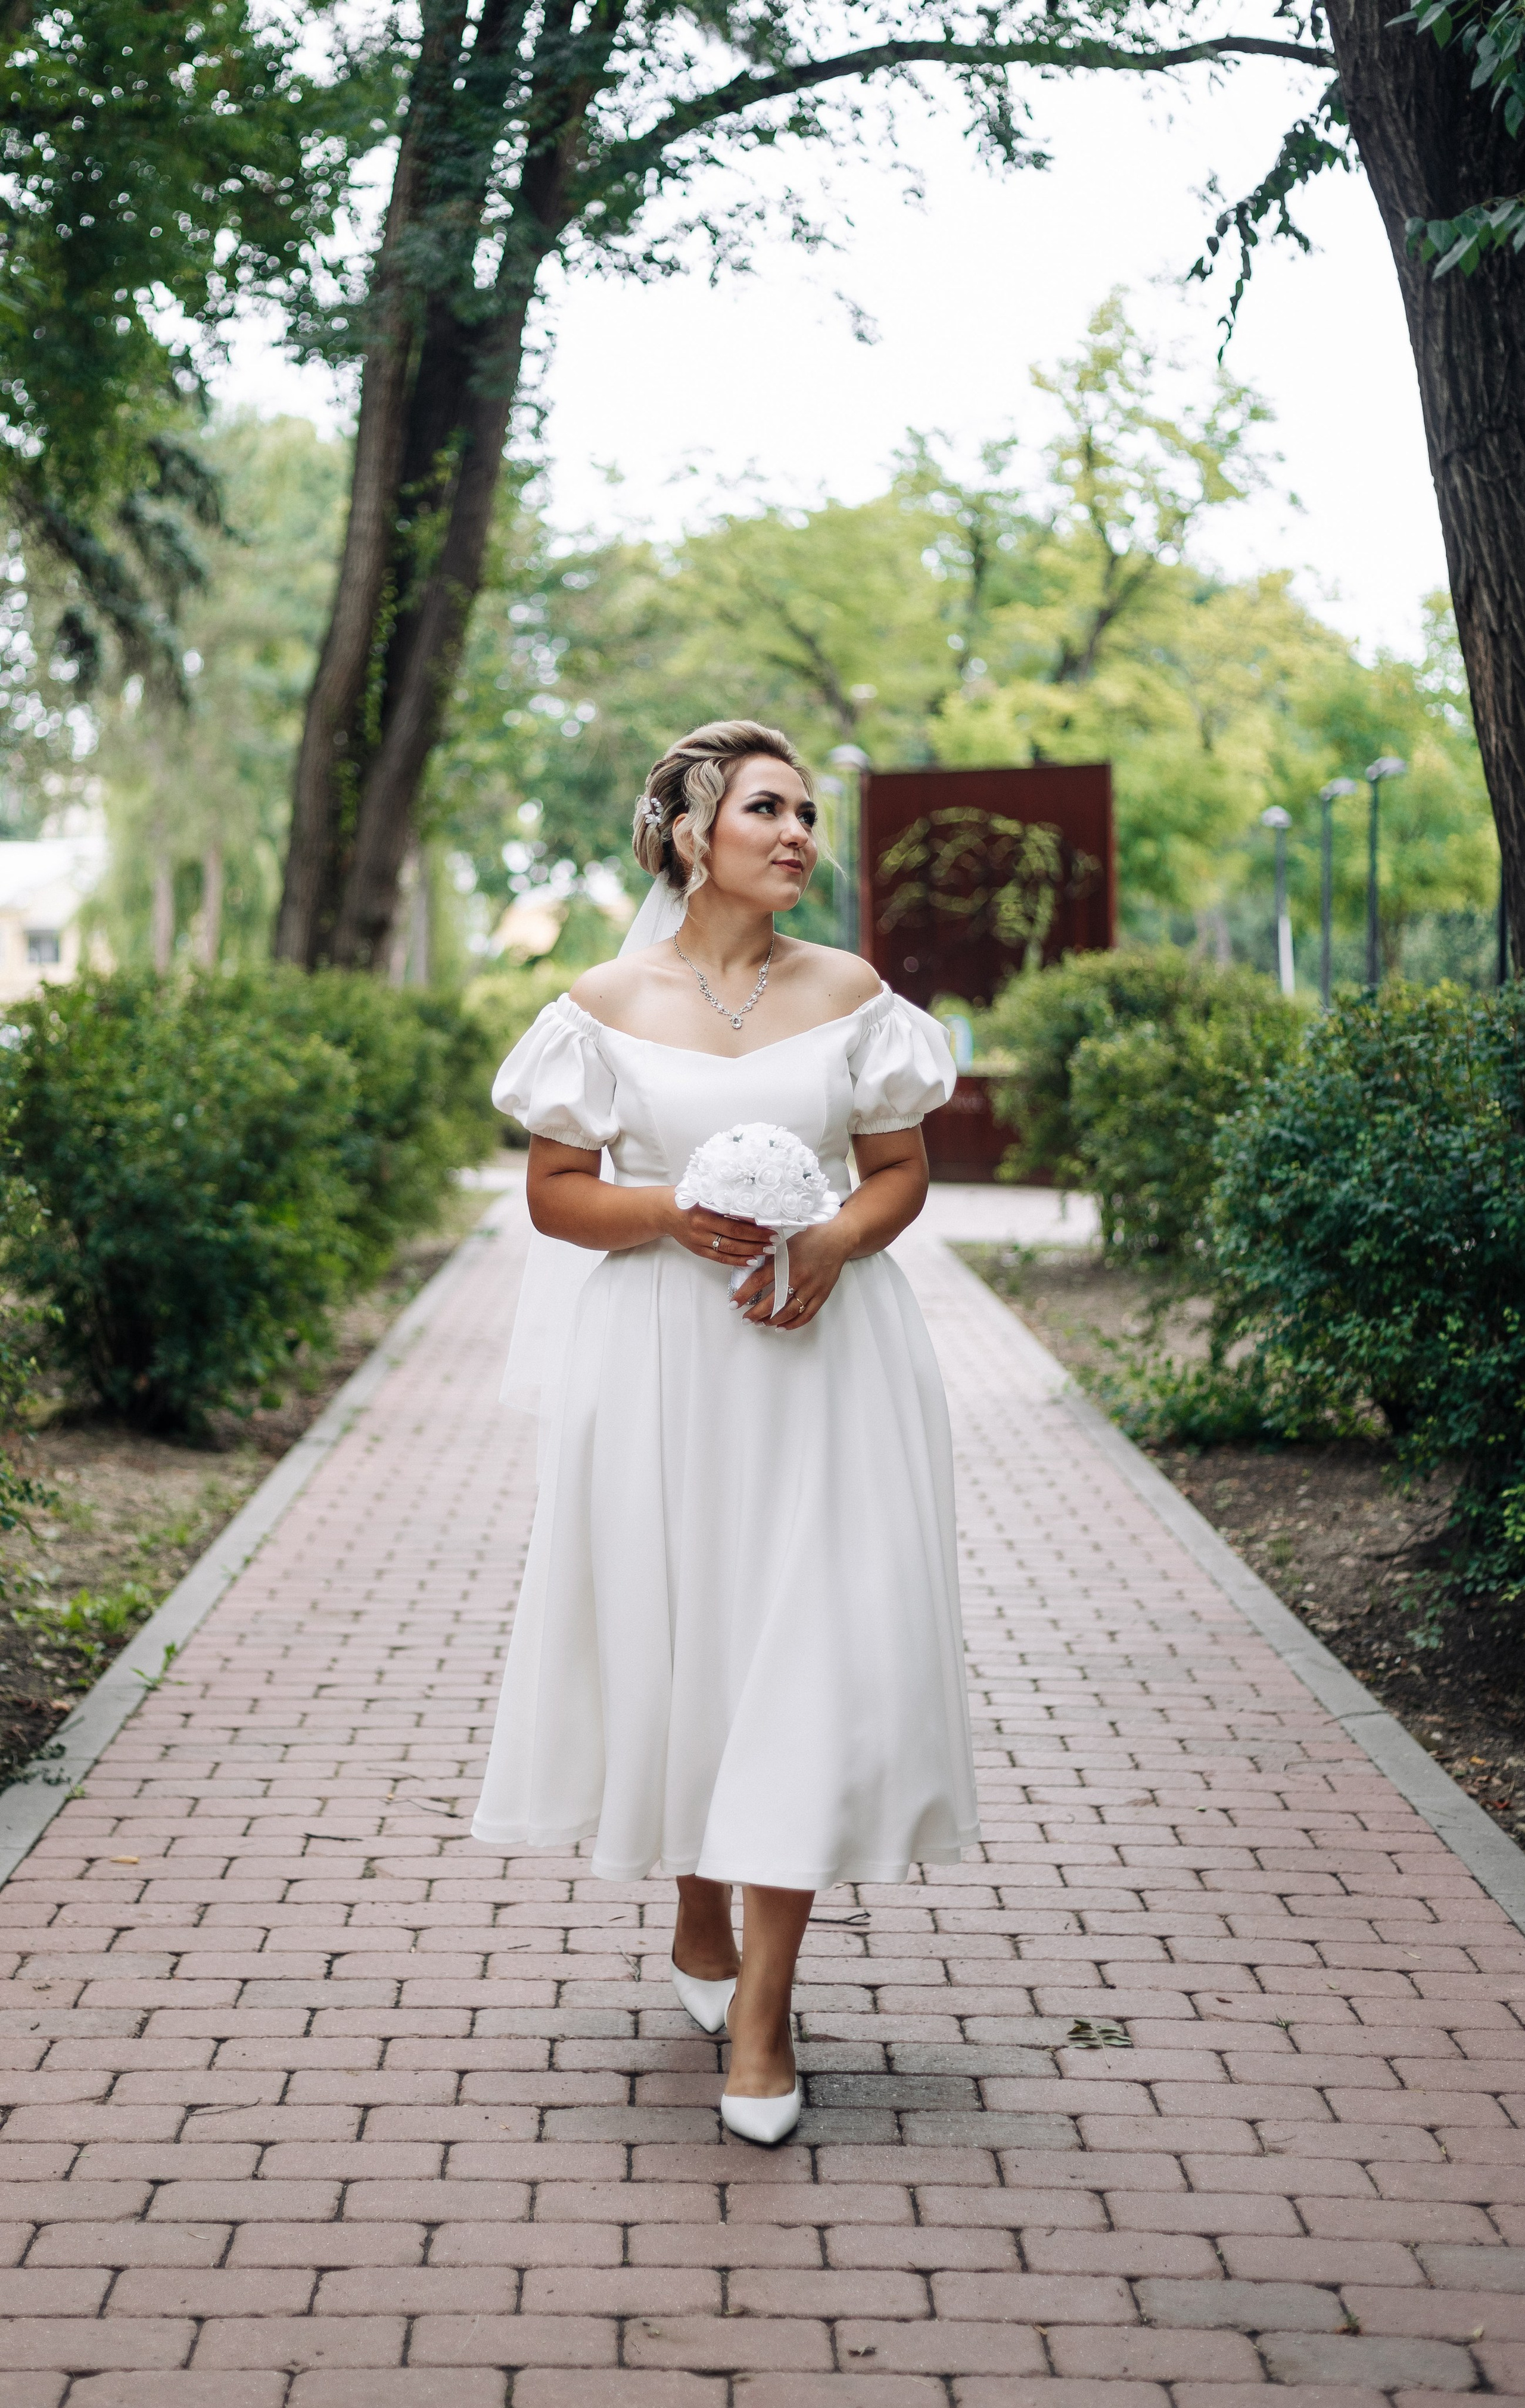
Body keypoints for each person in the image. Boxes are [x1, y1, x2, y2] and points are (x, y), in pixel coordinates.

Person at [471, 718, 980, 2144]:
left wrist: (829, 1244)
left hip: (829, 1363)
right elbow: (558, 1193)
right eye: (767, 807)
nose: (798, 833)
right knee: (687, 1635)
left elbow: (896, 1176)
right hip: (661, 1364)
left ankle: (765, 2014)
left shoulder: (852, 990)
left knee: (810, 1643)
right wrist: (668, 1216)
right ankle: (698, 1894)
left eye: (808, 812)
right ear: (691, 831)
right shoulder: (601, 1001)